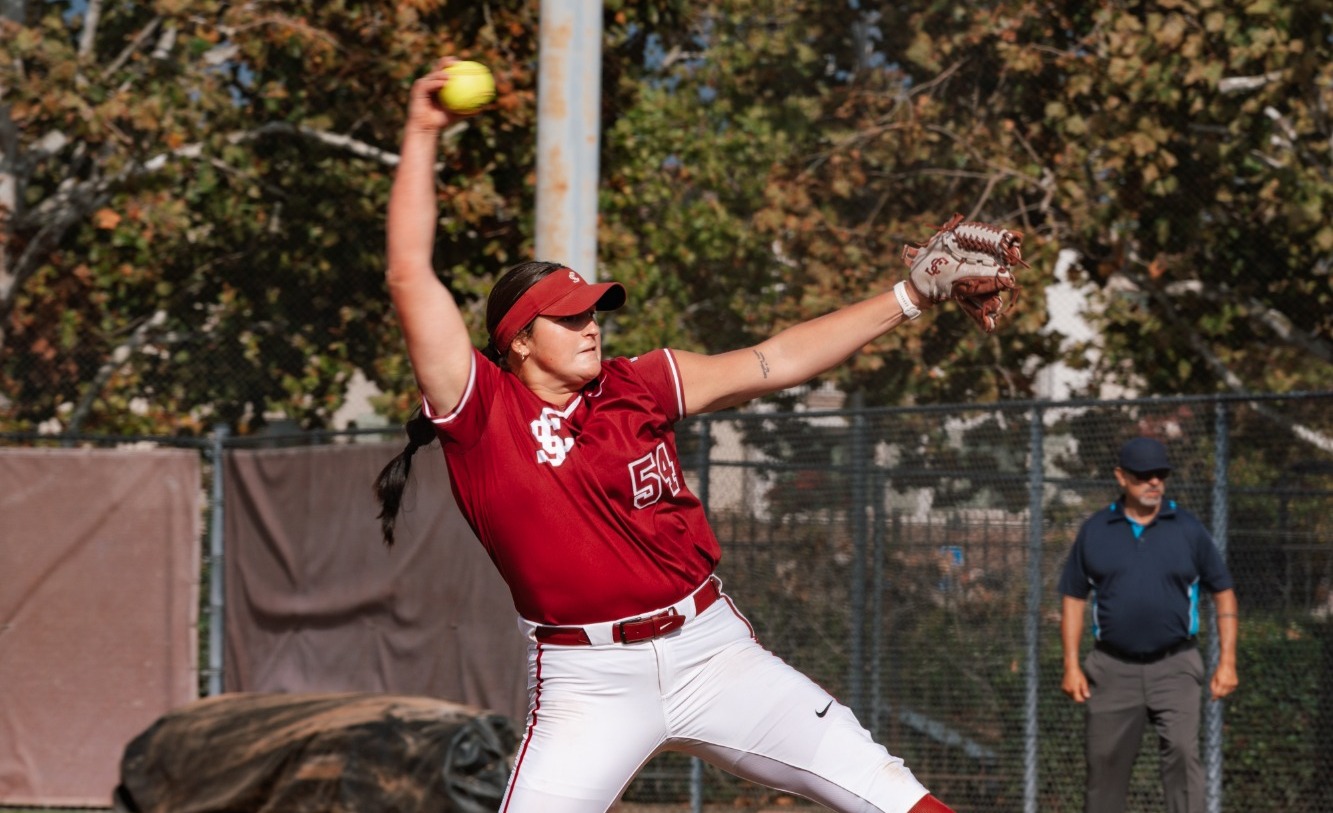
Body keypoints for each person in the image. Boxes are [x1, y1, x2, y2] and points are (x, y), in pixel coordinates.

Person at [374, 58, 1005, 813]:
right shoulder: (481, 413)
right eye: (568, 316)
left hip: (711, 651)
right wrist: (419, 132)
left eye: (593, 310)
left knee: (890, 792)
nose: (590, 323)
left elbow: (776, 360)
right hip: (587, 683)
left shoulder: (637, 384)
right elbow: (411, 275)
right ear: (515, 341)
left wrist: (908, 295)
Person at [1058, 436, 1239, 813]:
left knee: (1183, 754)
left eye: (1160, 474)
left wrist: (1228, 662)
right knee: (1104, 768)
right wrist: (1072, 665)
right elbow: (1074, 598)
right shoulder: (1096, 530)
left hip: (1175, 666)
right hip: (1111, 670)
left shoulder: (1188, 529)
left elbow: (1223, 593)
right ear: (1121, 477)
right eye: (1143, 475)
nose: (1153, 482)